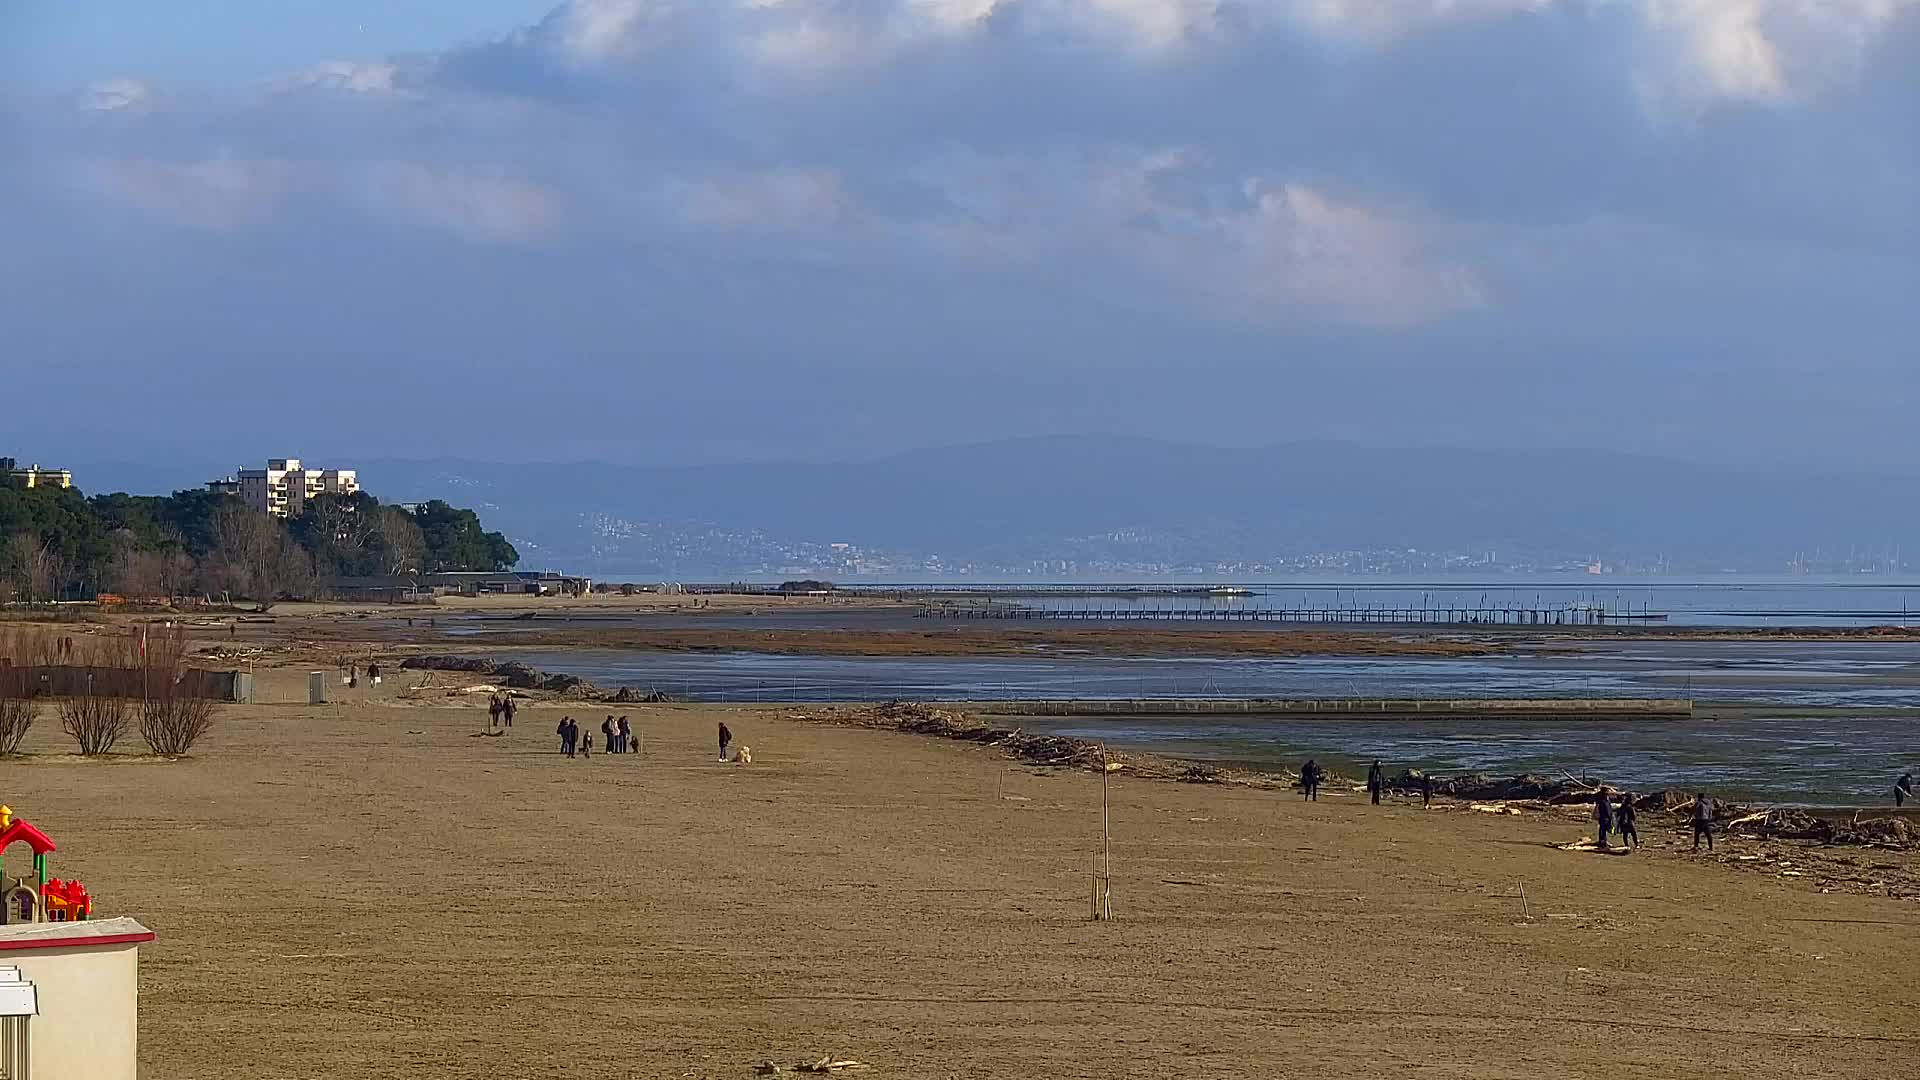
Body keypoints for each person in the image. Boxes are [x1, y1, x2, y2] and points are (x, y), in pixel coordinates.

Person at [1593, 785, 1614, 851]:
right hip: (1604, 817)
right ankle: (1602, 843)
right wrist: (1610, 816)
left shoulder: (1604, 799)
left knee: (1603, 830)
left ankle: (1603, 841)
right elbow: (1606, 809)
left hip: (1605, 817)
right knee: (1603, 830)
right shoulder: (1603, 800)